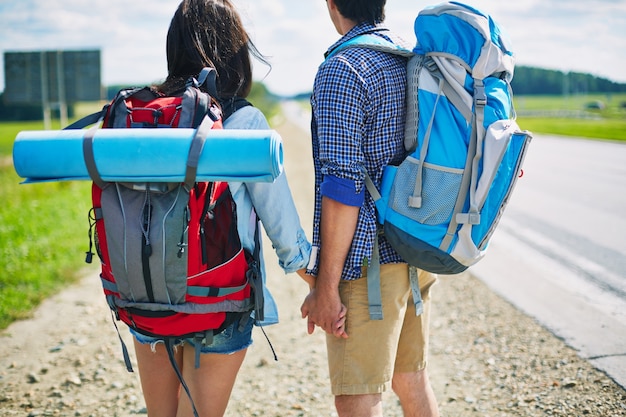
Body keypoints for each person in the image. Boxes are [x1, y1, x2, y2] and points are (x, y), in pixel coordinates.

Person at [131, 1, 312, 416]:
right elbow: (281, 225)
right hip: (219, 300)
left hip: (146, 296)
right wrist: (317, 282)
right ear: (235, 50)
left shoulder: (144, 118)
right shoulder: (244, 121)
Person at [300, 0, 440, 416]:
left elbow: (344, 188)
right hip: (416, 249)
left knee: (358, 396)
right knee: (411, 380)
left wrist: (326, 286)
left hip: (368, 266)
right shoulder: (412, 59)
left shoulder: (344, 69)